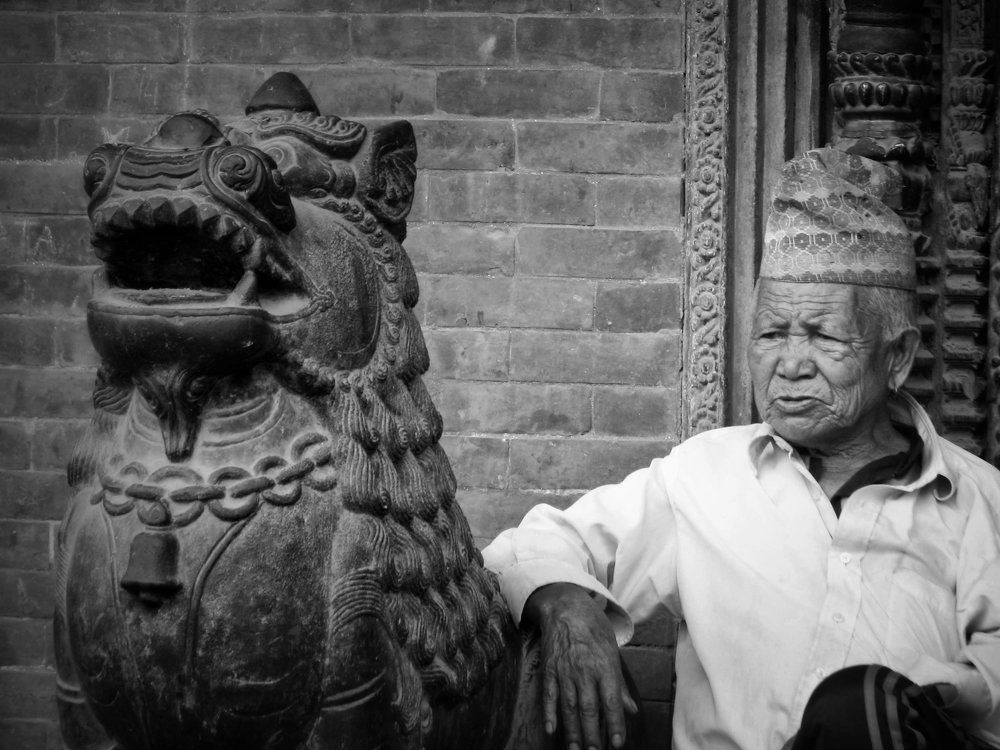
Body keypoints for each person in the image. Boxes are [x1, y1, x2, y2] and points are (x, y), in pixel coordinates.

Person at [482, 147, 1000, 750]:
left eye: (824, 337)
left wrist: (887, 706)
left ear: (899, 357)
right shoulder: (704, 477)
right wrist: (567, 608)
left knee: (863, 705)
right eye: (772, 334)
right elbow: (532, 545)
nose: (790, 366)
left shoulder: (980, 505)